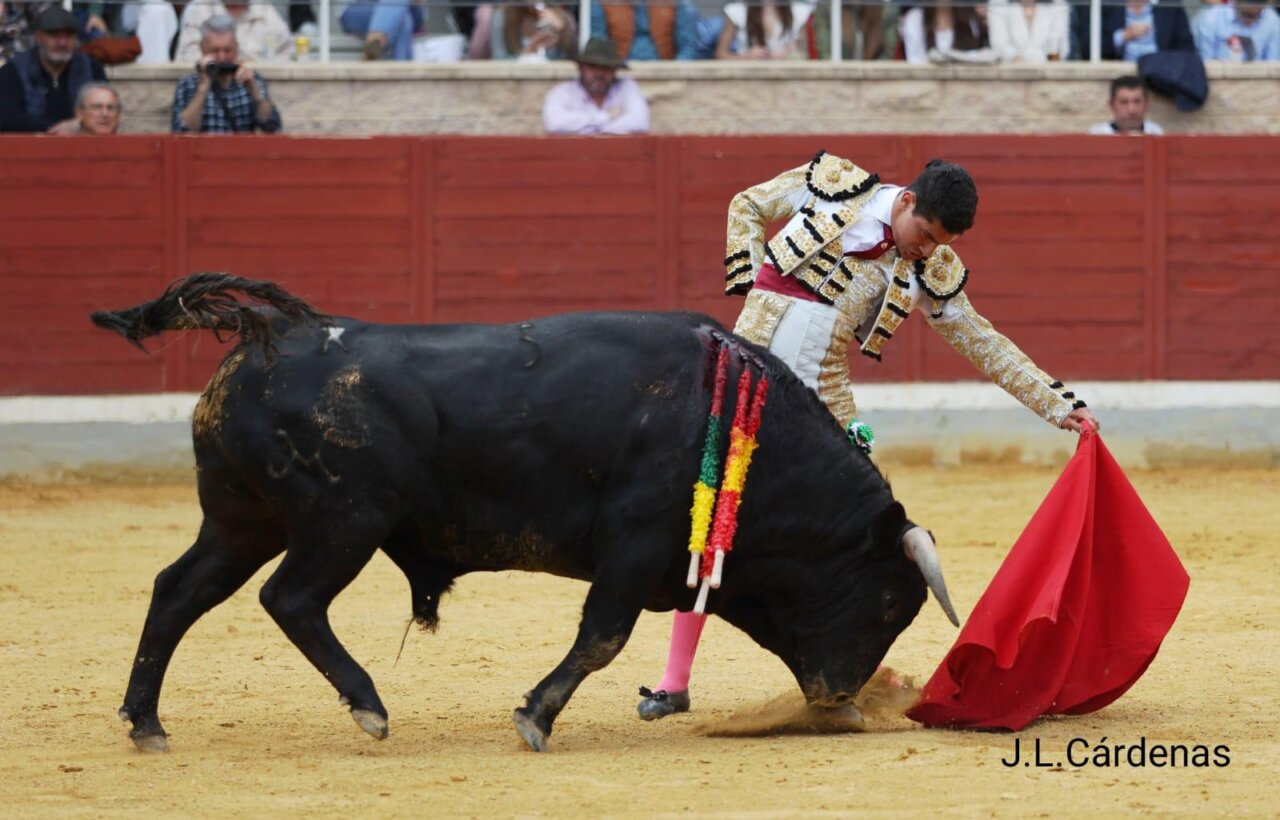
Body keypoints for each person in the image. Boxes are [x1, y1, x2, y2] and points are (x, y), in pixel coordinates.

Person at [636, 153, 1101, 720]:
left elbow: (982, 340)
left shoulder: (928, 269)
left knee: (849, 543)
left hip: (824, 403)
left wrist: (1061, 406)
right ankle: (674, 681)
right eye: (925, 236)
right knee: (714, 516)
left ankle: (848, 674)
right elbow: (748, 205)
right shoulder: (832, 187)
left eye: (939, 245)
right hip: (749, 380)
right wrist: (753, 287)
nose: (926, 251)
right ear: (906, 201)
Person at [0, 6, 105, 133]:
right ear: (38, 37)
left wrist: (80, 123)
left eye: (68, 36)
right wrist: (57, 128)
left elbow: (108, 108)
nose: (62, 43)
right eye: (54, 36)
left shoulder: (90, 68)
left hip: (82, 146)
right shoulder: (14, 70)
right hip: (30, 147)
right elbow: (7, 118)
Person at [172, 14, 281, 133]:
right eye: (215, 50)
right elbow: (181, 132)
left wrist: (255, 92)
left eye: (227, 50)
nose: (222, 57)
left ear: (237, 49)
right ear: (203, 50)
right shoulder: (188, 84)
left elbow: (273, 127)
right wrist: (202, 90)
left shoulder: (252, 80)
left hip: (241, 150)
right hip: (204, 150)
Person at [542, 36, 650, 135]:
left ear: (614, 70)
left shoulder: (627, 87)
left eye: (606, 68)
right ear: (581, 67)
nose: (599, 73)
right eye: (593, 67)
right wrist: (605, 117)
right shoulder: (563, 92)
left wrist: (598, 132)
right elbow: (553, 123)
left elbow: (640, 123)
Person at [1073, 0, 1195, 61]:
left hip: (1161, 76)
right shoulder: (1104, 5)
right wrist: (1123, 36)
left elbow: (1187, 49)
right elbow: (1087, 49)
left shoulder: (1170, 6)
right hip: (1119, 77)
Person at [175, 0, 291, 63]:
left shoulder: (266, 11)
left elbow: (287, 58)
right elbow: (186, 60)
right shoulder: (199, 8)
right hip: (208, 93)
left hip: (254, 92)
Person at [590, 0, 699, 61]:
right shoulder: (600, 3)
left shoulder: (678, 3)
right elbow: (598, 46)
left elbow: (688, 47)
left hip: (665, 75)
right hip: (619, 77)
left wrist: (674, 73)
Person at [715, 0, 815, 60]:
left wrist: (788, 54)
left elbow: (806, 55)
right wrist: (746, 56)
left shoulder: (799, 11)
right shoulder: (737, 11)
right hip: (748, 79)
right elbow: (720, 54)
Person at [987, 0, 1070, 63]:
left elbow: (1061, 50)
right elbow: (999, 46)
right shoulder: (998, 3)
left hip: (1050, 75)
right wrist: (1016, 58)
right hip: (1010, 76)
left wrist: (1032, 60)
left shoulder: (1058, 4)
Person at [490, 1, 577, 61]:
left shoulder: (558, 17)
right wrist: (530, 51)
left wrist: (562, 31)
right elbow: (498, 60)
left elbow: (573, 60)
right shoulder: (501, 16)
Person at [1194, 0, 1280, 61]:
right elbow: (1204, 62)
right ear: (1236, 1)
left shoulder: (1272, 20)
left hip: (1259, 82)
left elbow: (1273, 64)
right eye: (1246, 15)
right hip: (1218, 80)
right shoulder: (1211, 18)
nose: (1250, 20)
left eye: (1256, 16)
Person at [339, 0, 424, 61]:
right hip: (360, 8)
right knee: (403, 21)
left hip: (409, 8)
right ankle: (403, 79)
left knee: (397, 10)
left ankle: (375, 42)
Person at [1088, 75, 1164, 135]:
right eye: (1124, 102)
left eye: (1137, 101)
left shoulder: (1156, 133)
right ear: (1112, 105)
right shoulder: (1097, 135)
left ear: (1146, 103)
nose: (1131, 110)